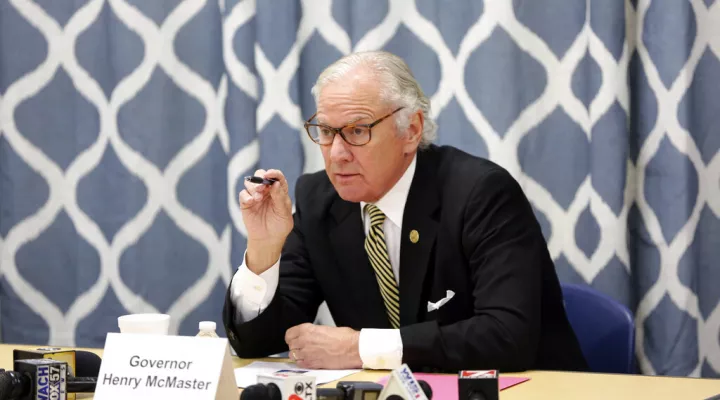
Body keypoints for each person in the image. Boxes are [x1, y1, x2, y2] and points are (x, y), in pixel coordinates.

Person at [223, 50, 587, 373]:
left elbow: (508, 335)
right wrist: (264, 251)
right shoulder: (319, 199)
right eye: (326, 131)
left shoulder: (480, 193)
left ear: (410, 130)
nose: (337, 154)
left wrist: (360, 348)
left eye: (356, 131)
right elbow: (258, 343)